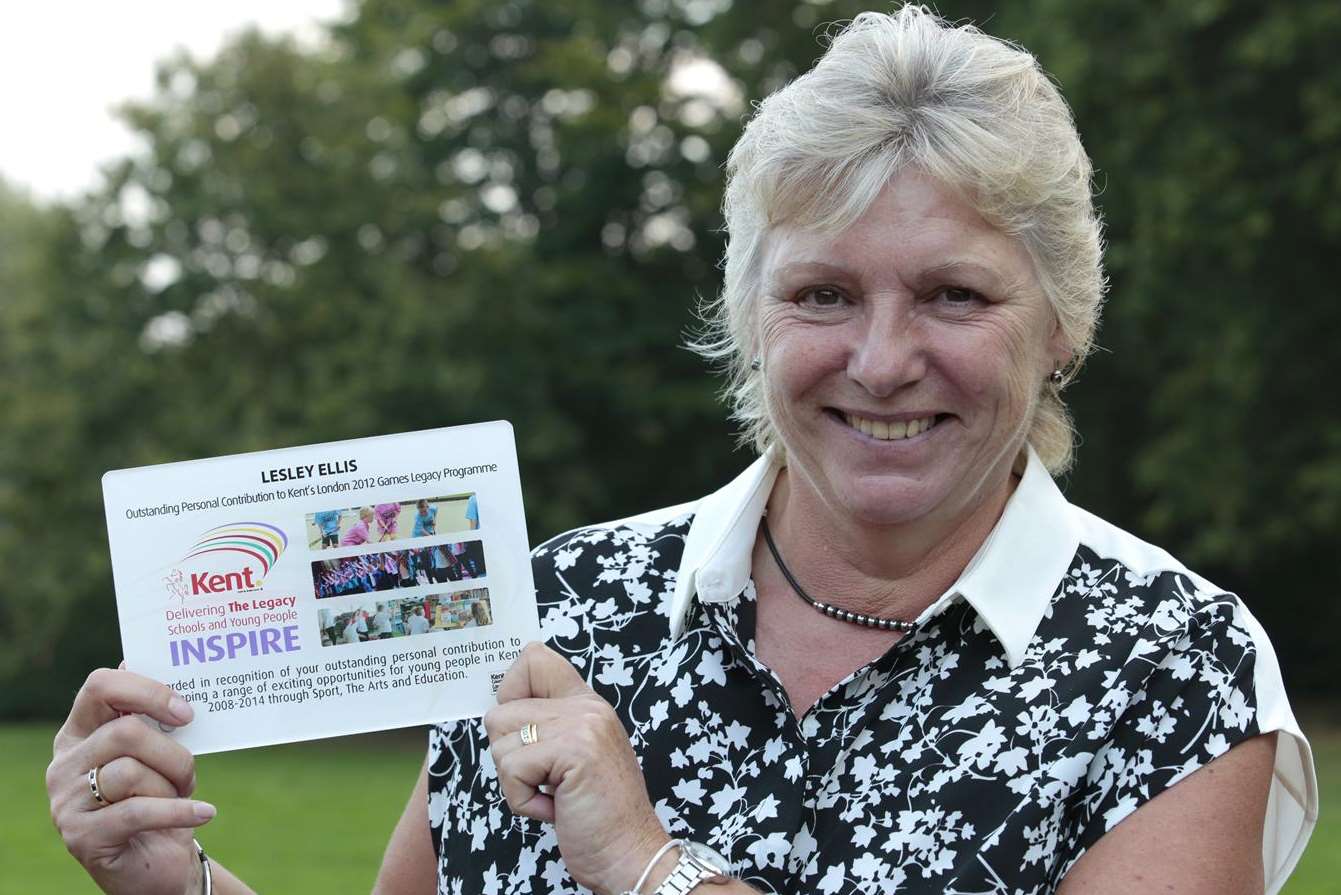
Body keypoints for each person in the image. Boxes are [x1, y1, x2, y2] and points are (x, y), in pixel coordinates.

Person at [46, 8, 1317, 895]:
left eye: (953, 296)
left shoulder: (1171, 665)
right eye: (821, 295)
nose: (881, 359)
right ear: (748, 320)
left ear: (1062, 326)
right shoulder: (556, 609)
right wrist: (174, 880)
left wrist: (647, 865)